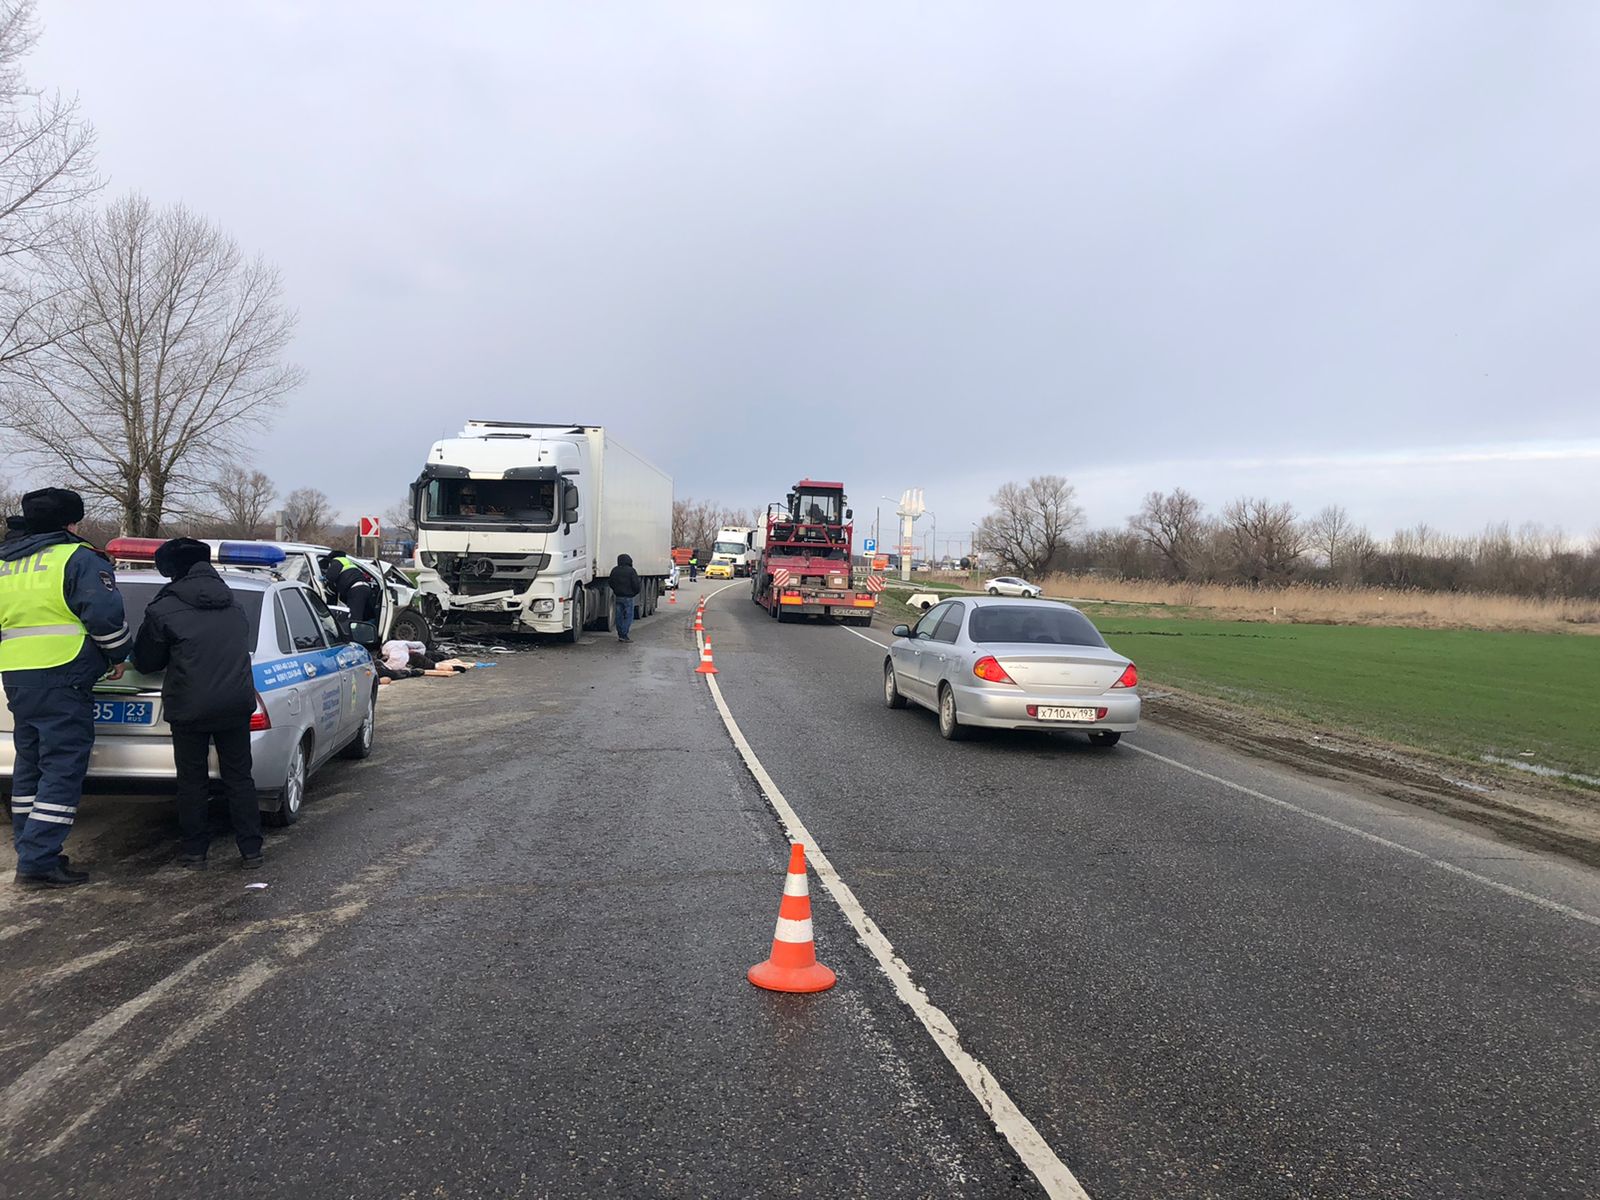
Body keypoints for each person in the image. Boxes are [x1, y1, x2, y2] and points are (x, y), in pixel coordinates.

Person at [1, 488, 131, 888]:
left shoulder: (5, 564)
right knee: (62, 766)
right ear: (71, 523)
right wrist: (118, 655)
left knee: (31, 762)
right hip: (63, 670)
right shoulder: (76, 557)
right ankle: (39, 861)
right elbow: (105, 617)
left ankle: (30, 846)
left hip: (16, 673)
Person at [133, 539, 262, 869]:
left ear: (172, 570)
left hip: (189, 705)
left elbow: (147, 661)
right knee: (239, 778)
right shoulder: (234, 604)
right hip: (235, 703)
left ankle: (195, 851)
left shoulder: (164, 609)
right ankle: (251, 851)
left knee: (192, 780)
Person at [323, 554, 378, 631]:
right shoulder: (348, 562)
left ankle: (353, 636)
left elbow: (331, 576)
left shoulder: (336, 561)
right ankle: (369, 632)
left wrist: (325, 580)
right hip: (365, 588)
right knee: (367, 615)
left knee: (355, 618)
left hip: (356, 591)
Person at [608, 553, 641, 642]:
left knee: (619, 616)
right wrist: (634, 592)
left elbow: (611, 582)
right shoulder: (631, 571)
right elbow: (636, 584)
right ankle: (624, 634)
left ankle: (620, 634)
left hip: (618, 596)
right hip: (628, 597)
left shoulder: (614, 570)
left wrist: (616, 590)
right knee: (628, 616)